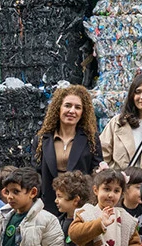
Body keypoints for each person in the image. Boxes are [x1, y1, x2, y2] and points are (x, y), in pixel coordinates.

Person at [35, 85, 100, 216]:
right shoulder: (42, 139)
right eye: (67, 105)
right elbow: (36, 173)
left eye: (77, 107)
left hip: (79, 206)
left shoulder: (91, 139)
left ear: (83, 112)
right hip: (49, 205)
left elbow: (96, 171)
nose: (72, 111)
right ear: (58, 108)